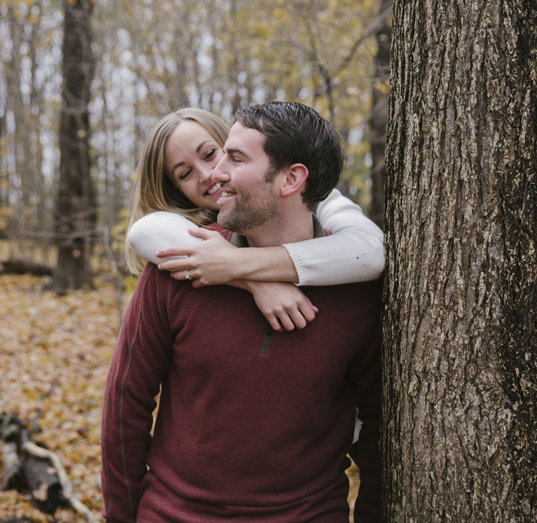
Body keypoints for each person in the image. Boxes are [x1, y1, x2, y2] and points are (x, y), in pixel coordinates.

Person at [102, 102, 382, 521]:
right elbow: (127, 399)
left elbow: (381, 422)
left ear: (292, 177)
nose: (213, 176)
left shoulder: (356, 286)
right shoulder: (178, 264)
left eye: (229, 157)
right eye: (185, 173)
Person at [124, 107, 384, 332]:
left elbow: (369, 252)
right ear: (175, 190)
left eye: (210, 154)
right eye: (185, 174)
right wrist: (257, 284)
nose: (208, 173)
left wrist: (234, 263)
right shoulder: (184, 235)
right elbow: (142, 231)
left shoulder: (315, 199)